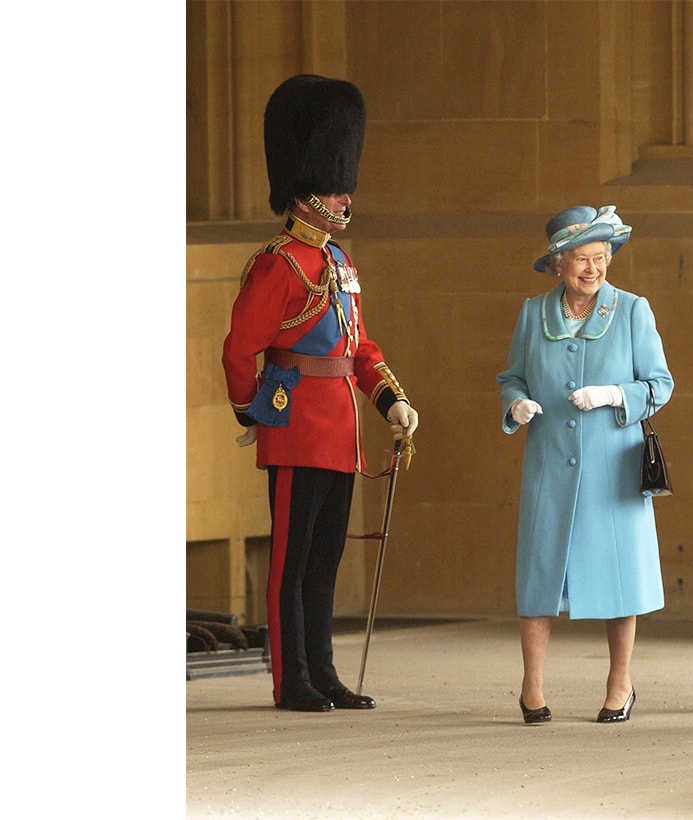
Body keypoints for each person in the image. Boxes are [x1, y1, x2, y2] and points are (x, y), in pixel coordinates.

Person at [222, 74, 419, 713]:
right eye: (334, 186)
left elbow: (359, 349)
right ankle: (291, 679)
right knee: (291, 561)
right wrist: (252, 411)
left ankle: (323, 673)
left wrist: (391, 402)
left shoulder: (339, 264)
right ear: (306, 193)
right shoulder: (278, 265)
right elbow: (237, 349)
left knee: (327, 558)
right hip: (293, 427)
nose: (344, 195)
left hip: (339, 432)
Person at [497, 205, 674, 724]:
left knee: (619, 578)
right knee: (538, 577)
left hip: (612, 467)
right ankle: (532, 689)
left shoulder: (633, 310)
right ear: (558, 264)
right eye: (581, 259)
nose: (593, 269)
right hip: (549, 463)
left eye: (601, 257)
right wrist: (516, 404)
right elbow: (511, 376)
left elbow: (659, 384)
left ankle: (620, 684)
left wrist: (613, 394)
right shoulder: (534, 313)